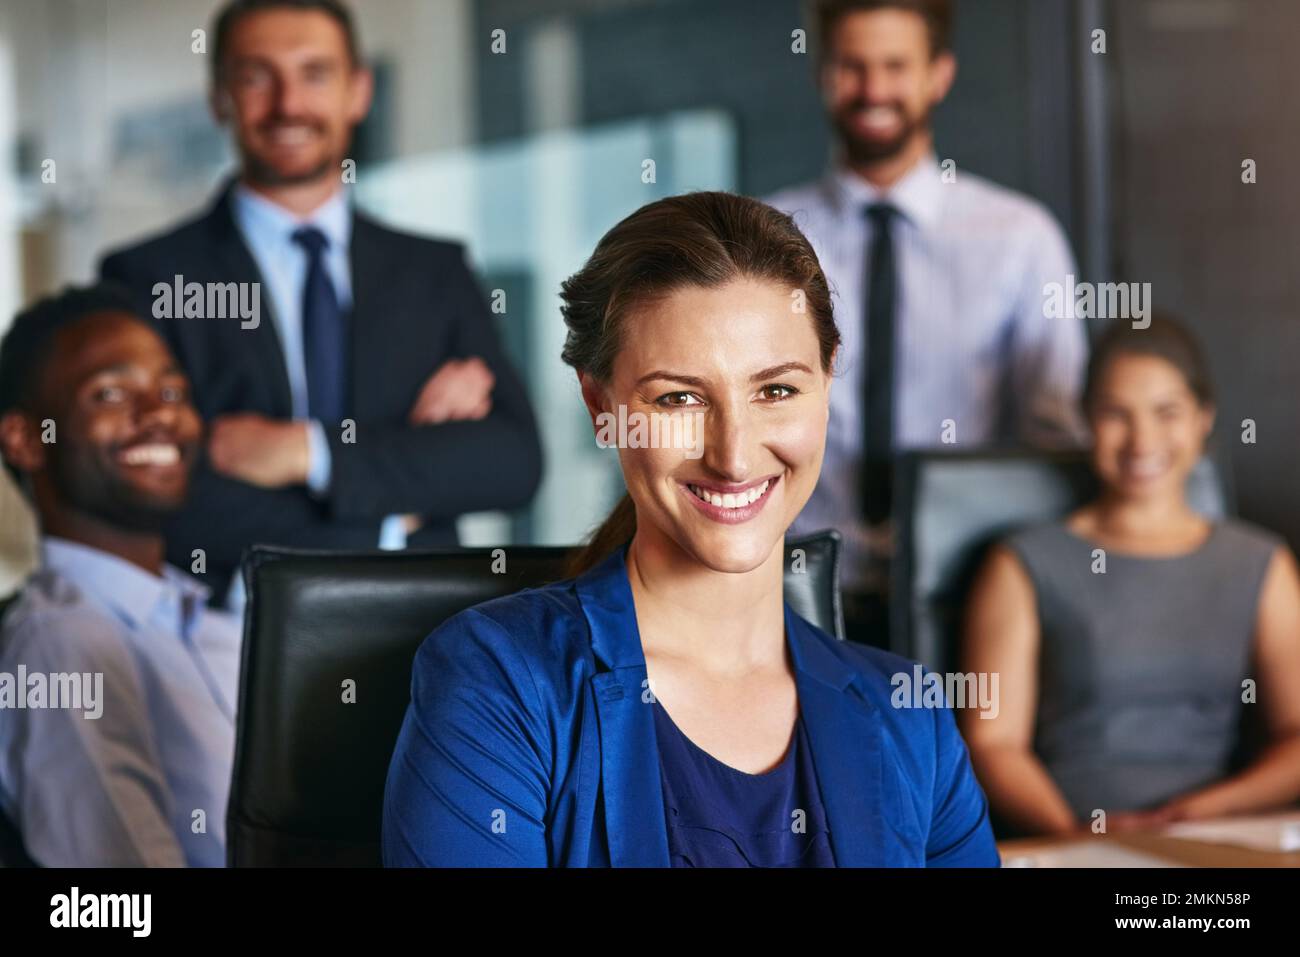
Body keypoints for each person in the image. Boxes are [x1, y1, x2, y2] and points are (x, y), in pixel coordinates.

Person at [382, 192, 999, 867]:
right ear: (601, 405)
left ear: (828, 379)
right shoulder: (498, 683)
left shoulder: (911, 721)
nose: (732, 454)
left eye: (776, 390)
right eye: (679, 398)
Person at [100, 0, 542, 605]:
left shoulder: (432, 270)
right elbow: (162, 496)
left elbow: (511, 460)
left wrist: (307, 453)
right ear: (220, 97)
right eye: (258, 76)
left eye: (315, 74)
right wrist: (394, 506)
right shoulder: (149, 277)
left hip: (424, 625)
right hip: (232, 638)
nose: (288, 105)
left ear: (357, 92)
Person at [764, 0, 1088, 643]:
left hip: (966, 594)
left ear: (939, 75)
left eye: (895, 66)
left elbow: (1053, 442)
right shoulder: (764, 237)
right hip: (789, 587)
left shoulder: (1019, 238)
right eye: (852, 67)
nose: (875, 89)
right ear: (822, 73)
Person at [961, 315, 1300, 837]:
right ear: (1086, 422)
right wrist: (1078, 838)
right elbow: (994, 742)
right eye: (1116, 414)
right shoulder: (1020, 562)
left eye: (1167, 413)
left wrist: (1194, 816)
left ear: (1203, 418)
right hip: (1065, 842)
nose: (1142, 441)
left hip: (1217, 838)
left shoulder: (1261, 562)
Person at [0, 285, 240, 866]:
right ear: (27, 440)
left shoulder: (219, 623)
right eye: (110, 392)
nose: (160, 413)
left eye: (171, 390)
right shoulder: (61, 641)